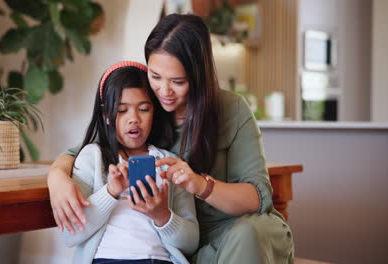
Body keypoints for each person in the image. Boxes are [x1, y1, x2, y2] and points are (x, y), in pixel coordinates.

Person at [48, 14, 294, 264]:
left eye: (177, 81)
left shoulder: (231, 109)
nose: (164, 91)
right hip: (177, 244)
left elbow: (256, 197)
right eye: (155, 76)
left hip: (229, 231)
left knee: (247, 234)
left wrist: (199, 185)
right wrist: (56, 178)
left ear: (198, 76)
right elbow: (87, 147)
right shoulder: (145, 106)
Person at [58, 61, 199, 264]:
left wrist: (162, 216)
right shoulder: (92, 158)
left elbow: (191, 242)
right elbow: (70, 235)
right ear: (106, 114)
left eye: (143, 109)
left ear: (154, 113)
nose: (133, 119)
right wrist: (111, 192)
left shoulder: (170, 163)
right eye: (122, 110)